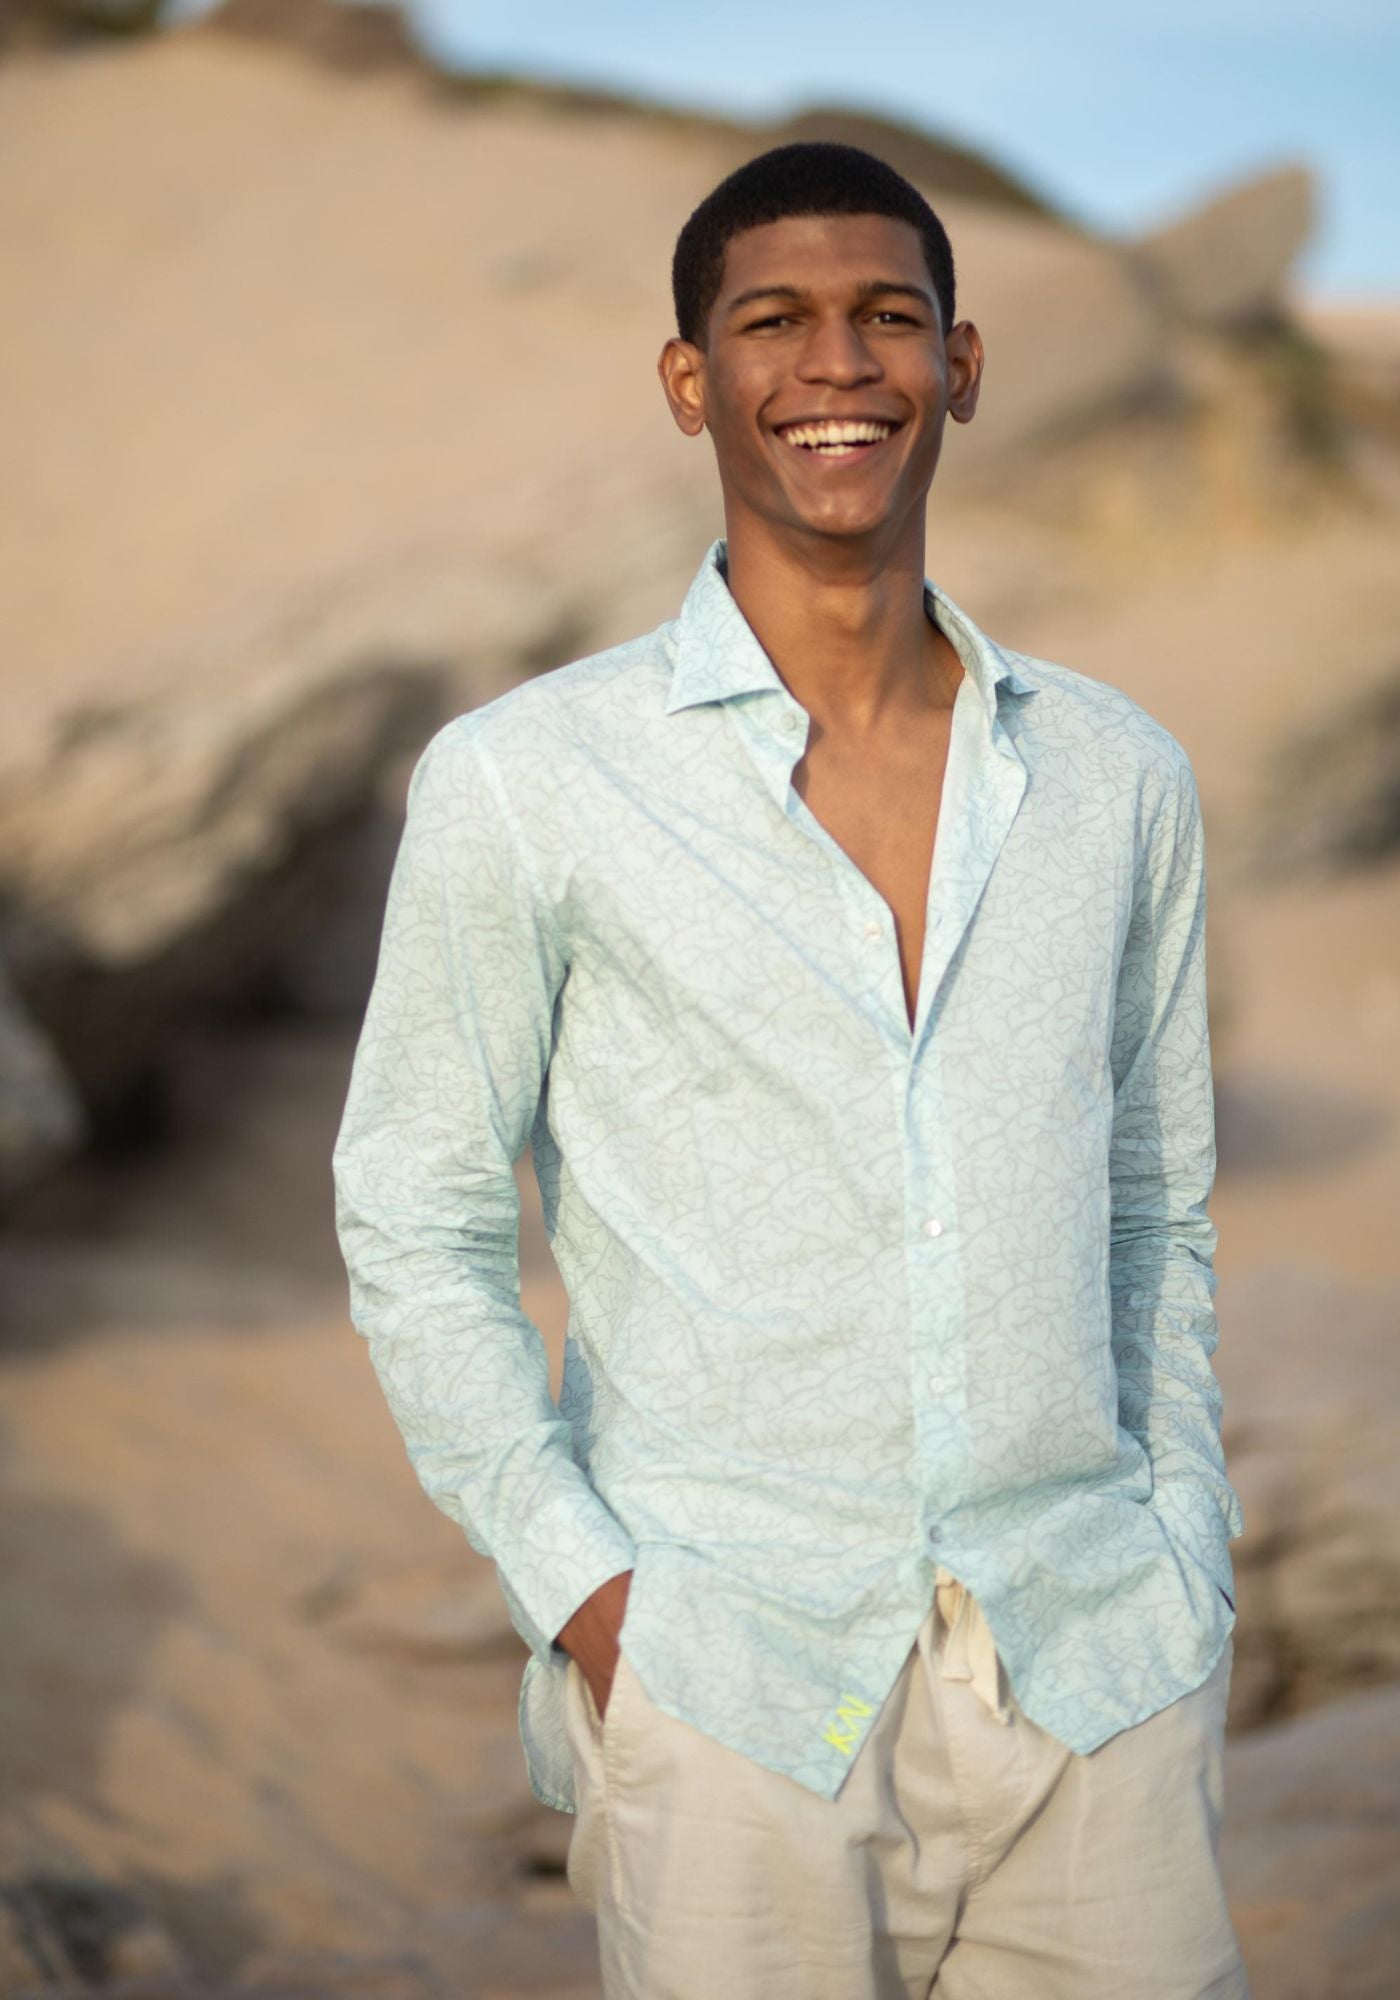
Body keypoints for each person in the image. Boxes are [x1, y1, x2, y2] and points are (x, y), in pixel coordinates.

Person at [331, 141, 1251, 1999]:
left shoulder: (1116, 775)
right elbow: (415, 1214)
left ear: (961, 367)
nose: (839, 363)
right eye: (776, 322)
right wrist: (593, 1599)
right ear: (692, 382)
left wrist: (1190, 1551)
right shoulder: (529, 781)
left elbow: (1156, 1200)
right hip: (730, 1694)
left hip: (1098, 1673)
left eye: (889, 317)